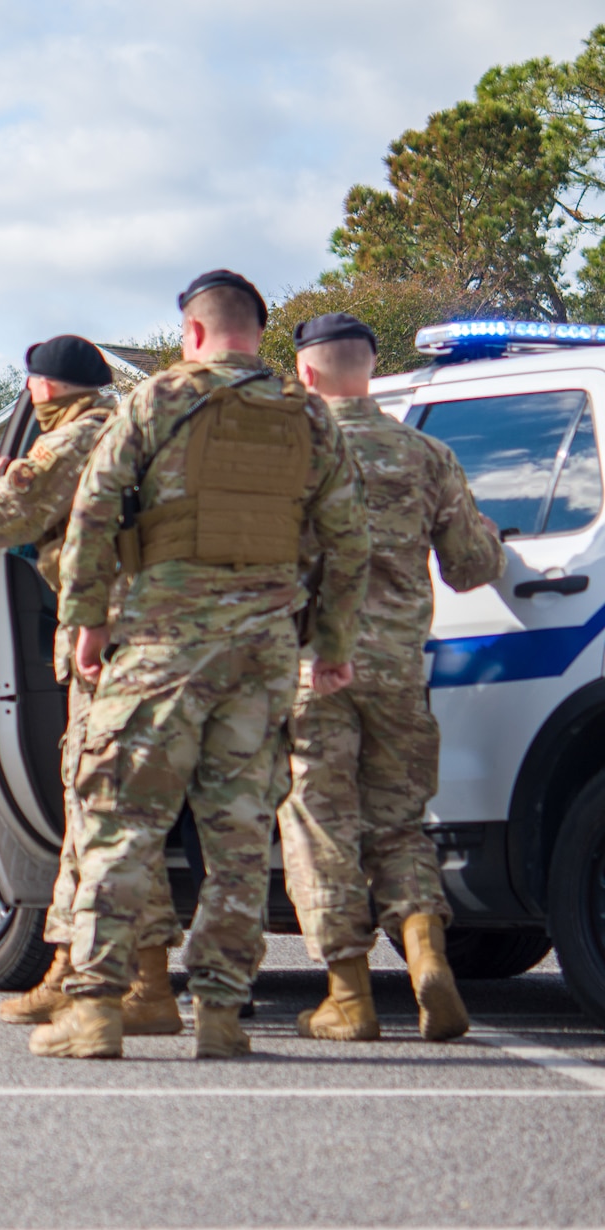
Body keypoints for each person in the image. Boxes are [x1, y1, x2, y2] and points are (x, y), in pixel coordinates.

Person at [40, 269, 371, 1059]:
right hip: (261, 658)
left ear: (193, 333)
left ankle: (94, 1012)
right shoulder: (310, 418)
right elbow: (351, 539)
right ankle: (220, 1016)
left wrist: (85, 622)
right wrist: (330, 644)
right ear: (258, 335)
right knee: (240, 841)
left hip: (161, 647)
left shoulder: (156, 400)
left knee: (122, 822)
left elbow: (92, 510)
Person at [276, 313, 505, 1043]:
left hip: (317, 671)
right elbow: (472, 563)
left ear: (306, 373)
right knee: (401, 823)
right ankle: (426, 956)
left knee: (321, 824)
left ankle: (348, 995)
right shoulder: (426, 453)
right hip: (401, 672)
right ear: (370, 368)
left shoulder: (288, 457)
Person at [0, 335, 184, 1036]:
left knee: (105, 812)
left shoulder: (80, 436)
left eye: (31, 381)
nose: (29, 391)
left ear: (46, 387)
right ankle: (67, 968)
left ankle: (143, 984)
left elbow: (1, 517)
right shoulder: (121, 431)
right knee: (94, 813)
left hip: (111, 643)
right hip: (150, 640)